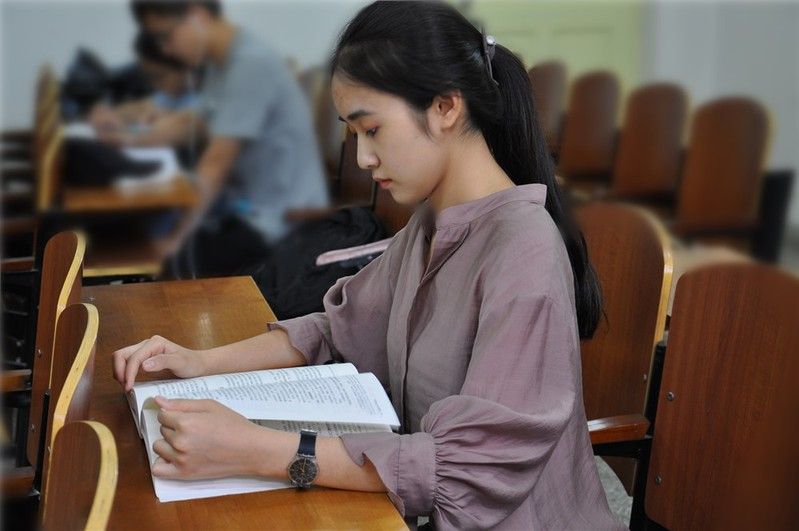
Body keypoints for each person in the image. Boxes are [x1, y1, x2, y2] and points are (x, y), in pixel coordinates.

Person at [113, 2, 622, 529]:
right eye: (354, 134)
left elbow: (467, 471)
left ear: (446, 107)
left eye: (372, 129)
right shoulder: (430, 224)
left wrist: (258, 450)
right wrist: (201, 363)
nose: (362, 158)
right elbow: (339, 329)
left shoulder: (523, 250)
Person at [119, 0, 329, 276]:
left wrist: (176, 238)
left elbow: (217, 162)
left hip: (281, 222)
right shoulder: (221, 64)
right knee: (151, 233)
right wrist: (127, 138)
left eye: (166, 36)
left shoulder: (249, 65)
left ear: (197, 15)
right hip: (246, 211)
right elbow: (194, 123)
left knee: (172, 261)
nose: (166, 49)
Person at [89, 31, 200, 135]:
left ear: (186, 67)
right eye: (149, 77)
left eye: (159, 77)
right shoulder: (171, 95)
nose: (154, 84)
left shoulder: (201, 99)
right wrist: (109, 114)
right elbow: (141, 107)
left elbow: (186, 122)